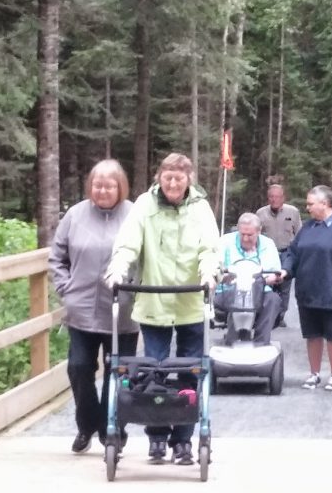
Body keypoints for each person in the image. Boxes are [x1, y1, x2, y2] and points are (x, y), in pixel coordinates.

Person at [104, 153, 219, 465]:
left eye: (178, 179)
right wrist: (118, 269)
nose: (172, 184)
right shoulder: (145, 204)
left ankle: (182, 441)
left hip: (190, 302)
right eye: (167, 178)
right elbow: (128, 242)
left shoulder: (200, 208)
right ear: (159, 178)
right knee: (153, 370)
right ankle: (156, 438)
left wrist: (209, 273)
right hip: (154, 300)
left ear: (188, 180)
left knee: (188, 371)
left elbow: (210, 247)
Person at [48, 159, 139, 454]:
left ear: (120, 187)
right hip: (82, 310)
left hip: (122, 311)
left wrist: (138, 290)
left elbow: (148, 257)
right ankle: (88, 424)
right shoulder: (75, 215)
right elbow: (57, 257)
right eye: (97, 185)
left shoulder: (135, 215)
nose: (102, 190)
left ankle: (113, 429)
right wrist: (66, 288)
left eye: (108, 185)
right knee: (78, 368)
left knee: (120, 371)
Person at [280, 185, 332, 392]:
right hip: (308, 290)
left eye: (310, 204)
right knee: (312, 334)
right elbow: (293, 253)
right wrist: (284, 271)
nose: (307, 208)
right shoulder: (308, 227)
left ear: (324, 204)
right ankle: (314, 374)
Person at [218, 212, 282, 345]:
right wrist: (223, 276)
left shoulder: (267, 244)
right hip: (229, 288)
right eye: (242, 234)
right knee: (236, 298)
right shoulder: (225, 241)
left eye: (250, 235)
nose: (245, 239)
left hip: (258, 288)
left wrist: (270, 278)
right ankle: (233, 342)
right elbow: (216, 268)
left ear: (259, 232)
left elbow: (274, 272)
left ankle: (261, 343)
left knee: (273, 300)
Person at [256, 184, 302, 328]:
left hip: (286, 252)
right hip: (267, 253)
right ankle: (266, 313)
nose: (274, 199)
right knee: (267, 283)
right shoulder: (261, 213)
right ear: (268, 198)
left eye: (277, 197)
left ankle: (280, 315)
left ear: (283, 198)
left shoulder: (292, 212)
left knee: (285, 286)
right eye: (271, 196)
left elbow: (299, 233)